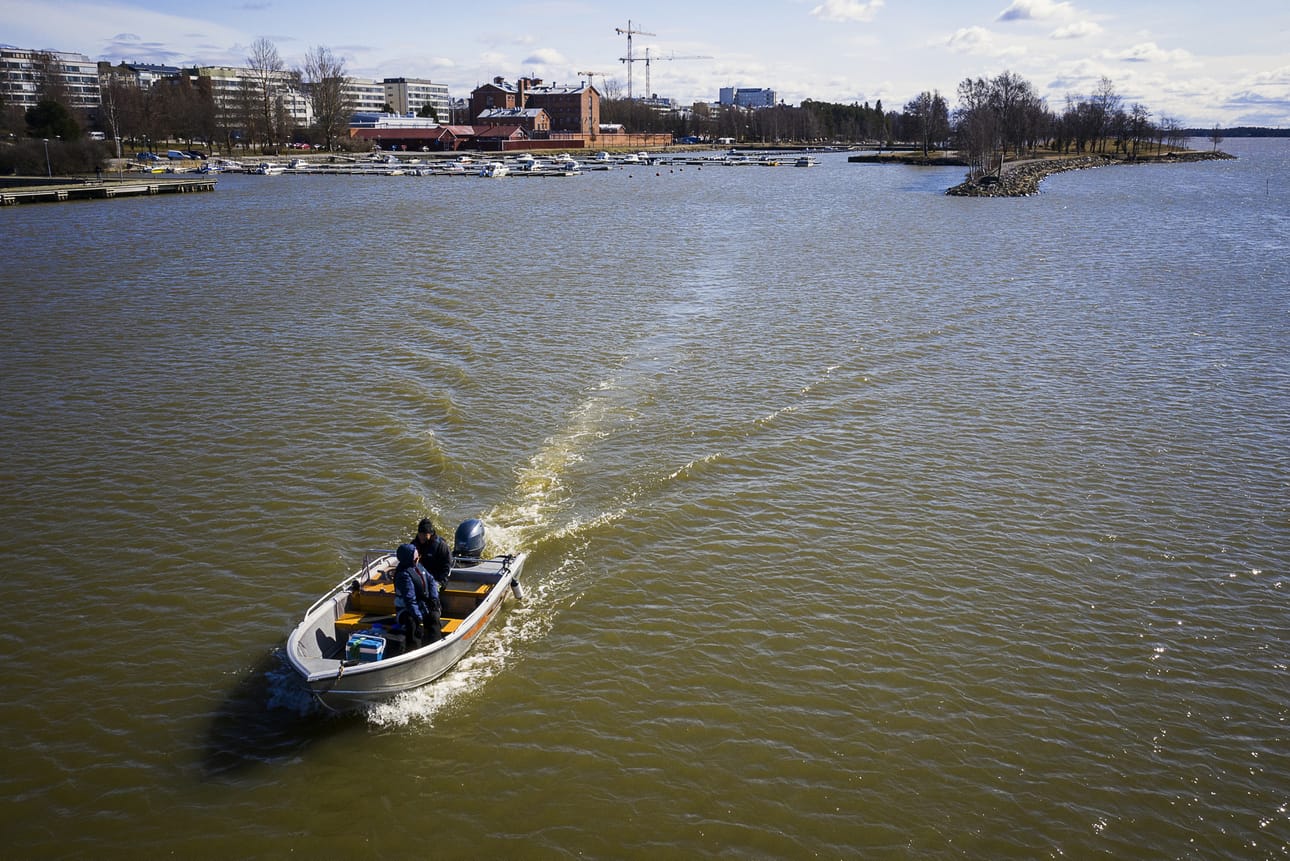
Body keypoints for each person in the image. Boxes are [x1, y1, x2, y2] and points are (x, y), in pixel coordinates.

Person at [392, 542, 442, 649]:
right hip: (406, 609)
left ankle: (436, 645)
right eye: (416, 558)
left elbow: (431, 580)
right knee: (412, 622)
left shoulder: (419, 567)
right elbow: (410, 600)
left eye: (418, 557)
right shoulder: (403, 576)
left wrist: (434, 598)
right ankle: (413, 649)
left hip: (422, 605)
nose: (418, 559)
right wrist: (419, 618)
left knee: (434, 617)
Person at [412, 517, 452, 589]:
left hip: (437, 579)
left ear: (430, 534)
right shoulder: (414, 544)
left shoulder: (441, 546)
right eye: (420, 533)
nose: (422, 537)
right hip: (420, 578)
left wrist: (439, 582)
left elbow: (446, 567)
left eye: (425, 534)